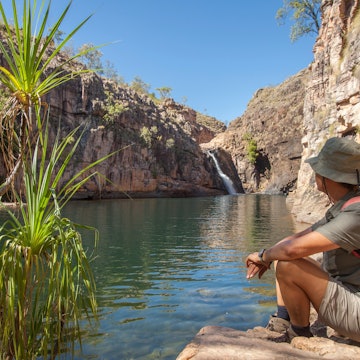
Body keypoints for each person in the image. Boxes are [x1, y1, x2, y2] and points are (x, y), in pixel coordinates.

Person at [245, 136, 360, 342]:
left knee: (289, 264)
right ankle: (283, 319)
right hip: (351, 296)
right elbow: (292, 242)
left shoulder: (356, 213)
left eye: (318, 169)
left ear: (328, 176)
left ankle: (299, 334)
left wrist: (263, 256)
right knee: (282, 253)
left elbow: (292, 252)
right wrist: (270, 255)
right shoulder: (345, 206)